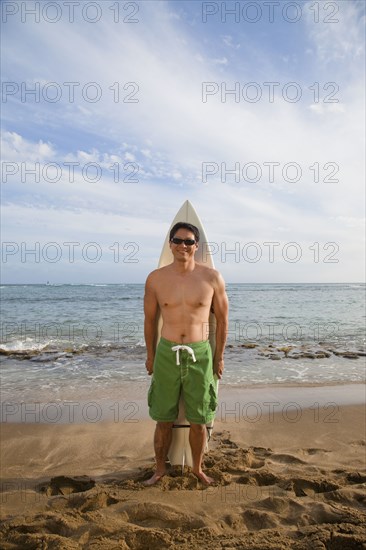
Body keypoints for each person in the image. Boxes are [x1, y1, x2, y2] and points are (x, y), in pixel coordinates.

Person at [144, 221, 229, 485]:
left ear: (196, 246)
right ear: (170, 244)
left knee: (199, 419)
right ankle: (160, 469)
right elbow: (149, 320)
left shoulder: (212, 278)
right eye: (178, 241)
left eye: (189, 241)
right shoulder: (156, 279)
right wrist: (150, 355)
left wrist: (219, 357)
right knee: (163, 418)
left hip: (200, 353)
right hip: (167, 353)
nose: (183, 246)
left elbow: (223, 321)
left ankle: (197, 468)